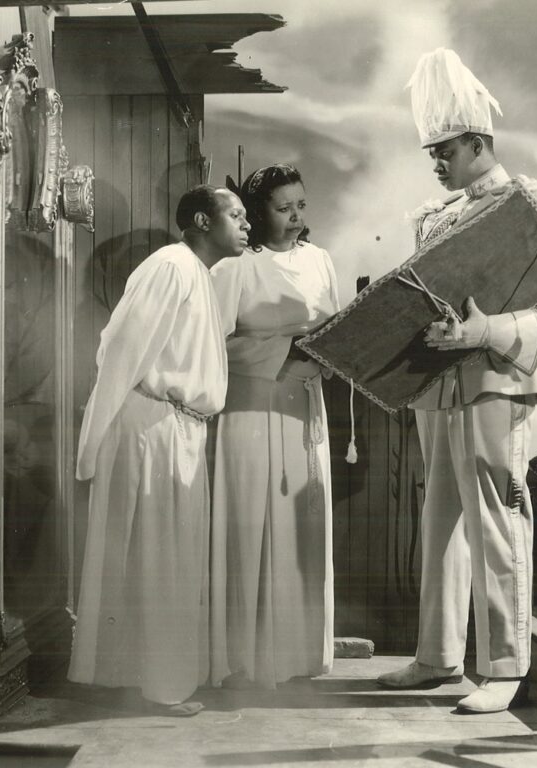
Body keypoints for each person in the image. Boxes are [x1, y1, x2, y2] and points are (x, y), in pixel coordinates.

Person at [377, 48, 537, 713]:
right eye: (430, 153)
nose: (435, 163)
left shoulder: (535, 206)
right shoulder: (435, 217)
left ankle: (505, 666)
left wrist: (485, 333)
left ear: (477, 141)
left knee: (498, 520)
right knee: (438, 521)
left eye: (444, 150)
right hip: (438, 387)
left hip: (497, 383)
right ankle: (437, 655)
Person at [68, 185, 250, 716]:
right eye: (235, 216)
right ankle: (158, 689)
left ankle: (152, 684)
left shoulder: (200, 274)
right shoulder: (170, 266)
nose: (245, 226)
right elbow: (120, 349)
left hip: (179, 428)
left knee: (168, 559)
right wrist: (92, 440)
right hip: (153, 427)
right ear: (200, 220)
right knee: (158, 559)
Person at [209, 164, 340, 689]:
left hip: (306, 411)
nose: (295, 217)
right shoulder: (235, 266)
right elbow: (211, 344)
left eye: (301, 206)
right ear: (258, 211)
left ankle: (299, 655)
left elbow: (337, 329)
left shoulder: (320, 261)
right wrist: (283, 353)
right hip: (251, 409)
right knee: (252, 525)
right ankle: (247, 660)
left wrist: (328, 355)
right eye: (283, 208)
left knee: (302, 528)